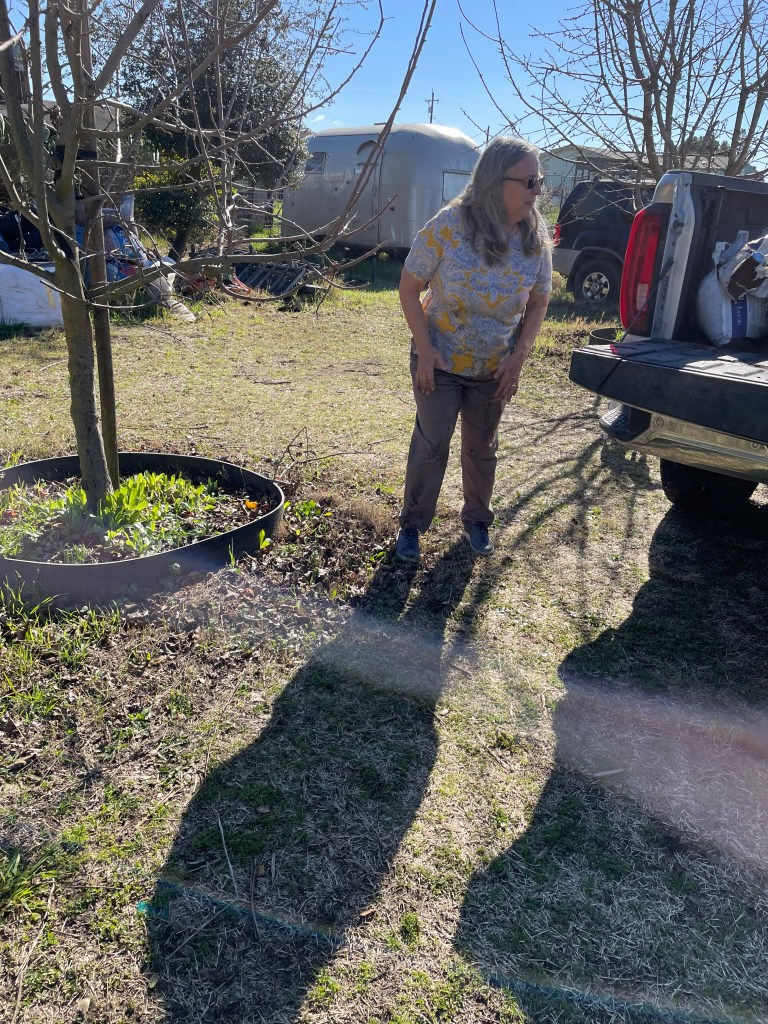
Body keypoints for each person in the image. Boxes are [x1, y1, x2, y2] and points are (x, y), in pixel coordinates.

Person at [395, 136, 552, 561]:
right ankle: (412, 525)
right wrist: (425, 348)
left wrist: (518, 357)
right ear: (496, 182)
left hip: (494, 366)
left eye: (539, 181)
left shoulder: (535, 236)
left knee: (482, 447)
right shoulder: (449, 226)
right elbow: (409, 287)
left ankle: (477, 520)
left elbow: (539, 301)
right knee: (432, 443)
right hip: (439, 360)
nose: (538, 190)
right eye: (530, 182)